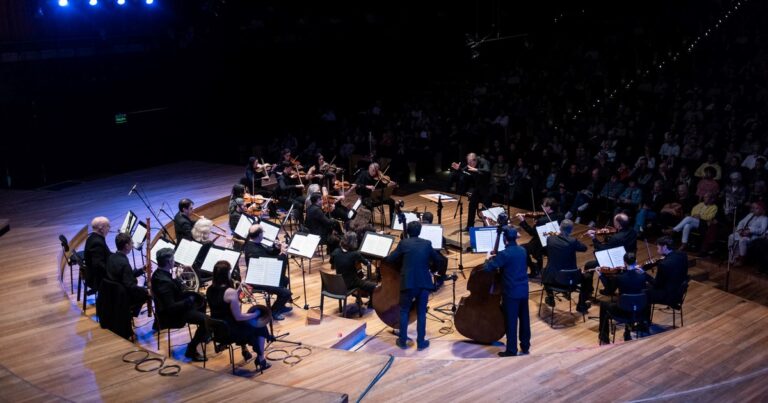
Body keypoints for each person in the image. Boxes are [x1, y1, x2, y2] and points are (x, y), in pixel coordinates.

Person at [385, 221, 445, 350]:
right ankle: (421, 342)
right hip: (424, 283)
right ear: (420, 231)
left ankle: (402, 341)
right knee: (421, 313)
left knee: (404, 311)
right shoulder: (427, 244)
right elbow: (439, 260)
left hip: (408, 282)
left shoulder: (404, 243)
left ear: (408, 232)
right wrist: (433, 270)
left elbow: (390, 259)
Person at [151, 247, 218, 362]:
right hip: (172, 315)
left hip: (177, 306)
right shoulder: (163, 282)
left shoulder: (159, 274)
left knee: (202, 301)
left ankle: (206, 333)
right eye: (173, 259)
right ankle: (191, 349)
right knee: (206, 319)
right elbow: (170, 307)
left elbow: (174, 290)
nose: (174, 261)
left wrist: (179, 281)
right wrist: (189, 300)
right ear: (168, 262)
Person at [206, 261, 271, 371]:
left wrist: (238, 290)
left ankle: (246, 351)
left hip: (217, 329)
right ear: (226, 274)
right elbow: (238, 317)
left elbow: (224, 301)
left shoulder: (210, 289)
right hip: (230, 331)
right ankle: (261, 359)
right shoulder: (230, 292)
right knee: (260, 325)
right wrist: (255, 314)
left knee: (249, 322)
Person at [483, 228, 531, 357]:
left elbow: (488, 268)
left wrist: (488, 258)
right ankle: (525, 346)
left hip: (511, 292)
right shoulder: (523, 250)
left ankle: (511, 350)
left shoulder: (505, 254)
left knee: (511, 321)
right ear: (516, 238)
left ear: (505, 239)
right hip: (524, 290)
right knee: (524, 319)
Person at [243, 224, 293, 320]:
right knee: (286, 293)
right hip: (258, 279)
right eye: (262, 233)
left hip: (263, 273)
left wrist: (277, 248)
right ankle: (274, 312)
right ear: (259, 235)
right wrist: (282, 253)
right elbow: (273, 263)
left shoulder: (253, 243)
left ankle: (280, 306)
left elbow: (268, 254)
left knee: (285, 280)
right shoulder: (254, 250)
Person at [597, 253, 648, 344]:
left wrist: (601, 275)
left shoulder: (620, 278)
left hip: (623, 311)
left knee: (604, 304)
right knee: (631, 298)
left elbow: (609, 291)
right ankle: (629, 330)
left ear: (624, 263)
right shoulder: (642, 276)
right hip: (639, 310)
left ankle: (604, 335)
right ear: (636, 262)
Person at [584, 213, 638, 297]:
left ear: (619, 225)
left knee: (589, 265)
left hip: (617, 262)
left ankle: (603, 289)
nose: (613, 224)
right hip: (629, 260)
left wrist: (594, 238)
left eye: (614, 223)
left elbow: (602, 249)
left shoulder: (616, 238)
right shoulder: (633, 232)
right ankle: (610, 287)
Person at [541, 219, 590, 311]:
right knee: (587, 277)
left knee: (544, 271)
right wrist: (574, 241)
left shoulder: (550, 239)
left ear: (559, 227)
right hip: (569, 280)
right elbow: (584, 248)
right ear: (571, 230)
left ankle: (551, 297)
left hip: (552, 279)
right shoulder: (572, 241)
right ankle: (581, 305)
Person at [644, 236, 688, 325]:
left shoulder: (664, 265)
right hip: (679, 291)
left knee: (643, 292)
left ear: (664, 247)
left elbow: (656, 285)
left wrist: (644, 275)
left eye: (658, 247)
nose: (657, 249)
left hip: (668, 295)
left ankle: (644, 323)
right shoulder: (682, 255)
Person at [517, 197, 563, 277]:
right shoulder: (561, 216)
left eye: (544, 206)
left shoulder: (542, 221)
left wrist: (523, 221)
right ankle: (539, 264)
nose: (542, 207)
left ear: (549, 207)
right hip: (556, 242)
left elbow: (532, 233)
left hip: (542, 244)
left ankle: (533, 269)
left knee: (522, 249)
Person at [105, 233, 149, 317]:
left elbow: (125, 275)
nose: (132, 245)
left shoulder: (112, 257)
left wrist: (141, 270)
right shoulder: (124, 263)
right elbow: (131, 286)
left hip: (112, 293)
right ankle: (130, 314)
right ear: (126, 246)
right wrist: (146, 291)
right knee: (146, 294)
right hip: (122, 296)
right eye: (131, 243)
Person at [451, 153, 491, 230]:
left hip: (487, 188)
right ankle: (470, 226)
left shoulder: (483, 162)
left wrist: (476, 170)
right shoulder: (470, 164)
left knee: (485, 210)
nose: (468, 164)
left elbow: (487, 171)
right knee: (472, 205)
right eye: (467, 162)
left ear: (474, 160)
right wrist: (459, 169)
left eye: (469, 162)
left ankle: (486, 228)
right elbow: (464, 171)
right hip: (478, 187)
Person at [330, 232, 377, 298]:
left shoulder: (336, 251)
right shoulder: (355, 254)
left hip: (339, 282)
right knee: (374, 286)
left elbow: (332, 263)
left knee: (361, 277)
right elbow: (367, 263)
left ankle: (359, 299)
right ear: (353, 242)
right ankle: (370, 305)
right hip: (351, 283)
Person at [728, 202, 768, 266]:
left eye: (756, 208)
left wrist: (750, 230)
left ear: (761, 209)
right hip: (743, 232)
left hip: (753, 236)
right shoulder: (750, 215)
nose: (754, 210)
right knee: (731, 236)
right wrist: (740, 229)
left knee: (742, 240)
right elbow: (741, 222)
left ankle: (741, 259)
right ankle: (732, 258)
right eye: (753, 208)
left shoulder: (764, 218)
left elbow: (762, 230)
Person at [84, 216, 112, 292]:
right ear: (101, 228)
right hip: (96, 279)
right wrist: (113, 271)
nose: (109, 228)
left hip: (95, 274)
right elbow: (98, 265)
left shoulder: (92, 237)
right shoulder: (97, 242)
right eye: (108, 226)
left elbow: (104, 254)